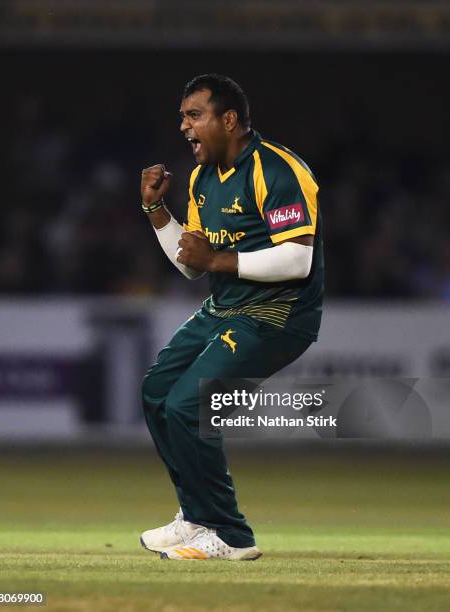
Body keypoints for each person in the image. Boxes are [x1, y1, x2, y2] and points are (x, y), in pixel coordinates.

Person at [140, 74, 324, 560]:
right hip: (225, 308)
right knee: (157, 392)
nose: (183, 125)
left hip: (278, 313)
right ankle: (196, 517)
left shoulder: (277, 169)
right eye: (182, 116)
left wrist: (219, 262)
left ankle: (230, 535)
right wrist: (157, 211)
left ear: (229, 119)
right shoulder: (202, 178)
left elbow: (297, 259)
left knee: (188, 405)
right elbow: (190, 265)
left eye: (193, 115)